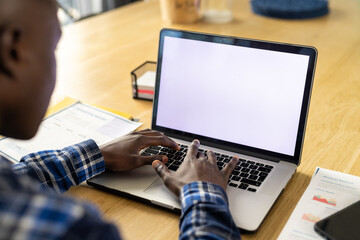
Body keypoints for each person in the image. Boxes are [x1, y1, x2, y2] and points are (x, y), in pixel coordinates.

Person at [0, 0, 241, 239]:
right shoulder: (73, 230)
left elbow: (11, 181)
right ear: (14, 52)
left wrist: (93, 156)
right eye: (52, 47)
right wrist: (204, 194)